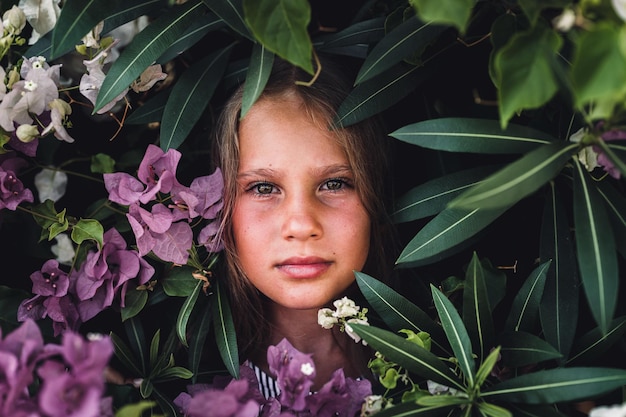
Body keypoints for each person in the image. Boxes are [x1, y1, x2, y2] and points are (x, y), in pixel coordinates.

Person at [212, 56, 396, 398]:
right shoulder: (182, 383)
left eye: (335, 183)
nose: (300, 225)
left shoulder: (434, 375)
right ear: (221, 204)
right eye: (263, 188)